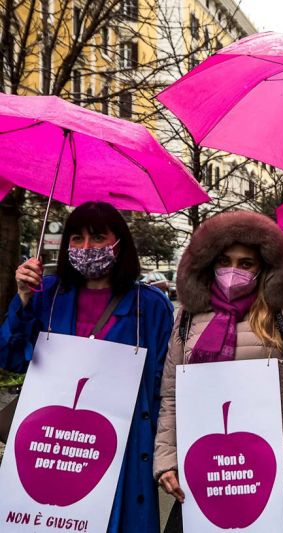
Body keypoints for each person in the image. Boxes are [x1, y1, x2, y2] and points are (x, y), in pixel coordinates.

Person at [154, 211, 283, 532]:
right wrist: (166, 461)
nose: (233, 271)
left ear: (262, 269)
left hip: (274, 472)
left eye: (246, 264)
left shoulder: (279, 311)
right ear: (209, 263)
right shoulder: (188, 318)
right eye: (224, 261)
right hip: (207, 470)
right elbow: (173, 395)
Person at [0, 201, 174, 532]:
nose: (86, 247)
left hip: (124, 452)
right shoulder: (47, 294)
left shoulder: (149, 306)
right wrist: (22, 298)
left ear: (119, 244)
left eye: (97, 237)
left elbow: (164, 388)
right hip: (55, 447)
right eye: (76, 238)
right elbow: (10, 357)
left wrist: (164, 453)